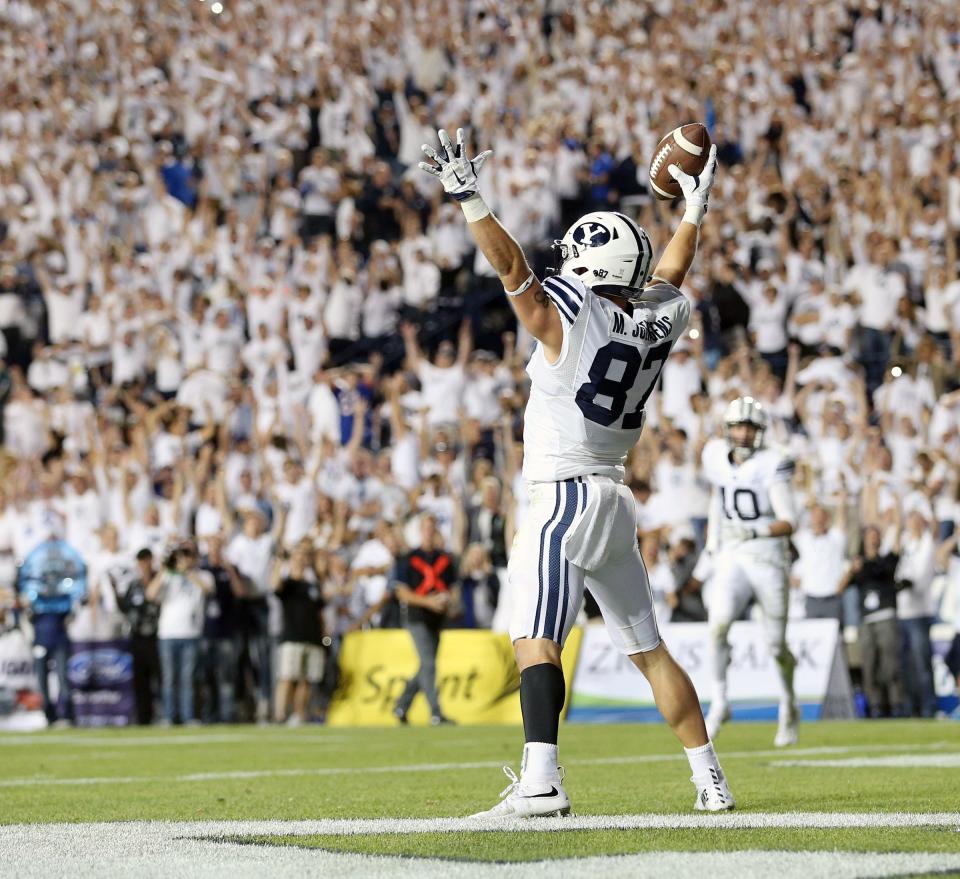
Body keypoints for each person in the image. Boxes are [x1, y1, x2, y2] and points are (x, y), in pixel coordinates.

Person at [419, 127, 733, 816]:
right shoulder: (658, 317)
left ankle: (541, 779)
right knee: (649, 651)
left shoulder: (573, 312)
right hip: (614, 500)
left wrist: (470, 198)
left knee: (535, 638)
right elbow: (671, 274)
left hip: (562, 493)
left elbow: (513, 272)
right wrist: (693, 213)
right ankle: (710, 779)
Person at [700, 397, 800, 747]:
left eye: (749, 428)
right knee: (719, 624)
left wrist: (755, 531)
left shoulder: (773, 463)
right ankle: (720, 701)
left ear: (759, 432)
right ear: (727, 429)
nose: (742, 434)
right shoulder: (714, 454)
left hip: (768, 556)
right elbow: (719, 493)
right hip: (732, 552)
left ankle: (788, 702)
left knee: (775, 644)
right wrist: (713, 538)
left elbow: (790, 520)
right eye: (738, 427)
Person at [391, 514, 456, 726]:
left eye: (432, 527)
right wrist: (429, 602)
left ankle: (401, 705)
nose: (429, 532)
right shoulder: (409, 558)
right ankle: (436, 712)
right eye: (426, 528)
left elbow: (452, 588)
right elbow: (402, 593)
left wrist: (447, 602)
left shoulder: (444, 559)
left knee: (425, 666)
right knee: (428, 663)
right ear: (420, 530)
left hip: (437, 619)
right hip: (416, 616)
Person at [839, 525, 905, 718]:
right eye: (870, 536)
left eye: (876, 536)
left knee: (890, 664)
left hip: (885, 616)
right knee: (869, 665)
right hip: (866, 620)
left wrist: (896, 519)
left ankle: (896, 704)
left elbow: (897, 548)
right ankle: (875, 706)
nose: (873, 540)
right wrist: (852, 570)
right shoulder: (858, 564)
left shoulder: (886, 560)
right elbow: (839, 588)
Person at [147, 543, 214, 725]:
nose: (185, 559)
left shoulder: (202, 575)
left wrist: (187, 572)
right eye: (182, 556)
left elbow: (208, 590)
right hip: (168, 633)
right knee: (169, 678)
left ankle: (188, 716)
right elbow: (151, 595)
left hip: (191, 633)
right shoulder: (168, 576)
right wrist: (163, 570)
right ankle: (169, 716)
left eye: (189, 555)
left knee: (188, 679)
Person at [271, 539, 325, 725]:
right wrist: (280, 560)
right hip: (292, 637)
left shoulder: (312, 585)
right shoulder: (288, 583)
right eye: (298, 556)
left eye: (304, 556)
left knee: (307, 679)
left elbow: (320, 613)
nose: (302, 560)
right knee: (287, 677)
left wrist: (324, 638)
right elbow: (275, 586)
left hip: (313, 638)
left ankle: (300, 715)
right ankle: (279, 715)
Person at [109, 548, 161, 725]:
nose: (143, 565)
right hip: (137, 637)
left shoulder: (159, 580)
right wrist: (114, 589)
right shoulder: (134, 584)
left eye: (146, 560)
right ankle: (143, 718)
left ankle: (163, 715)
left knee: (160, 678)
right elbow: (125, 608)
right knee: (140, 681)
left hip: (156, 636)